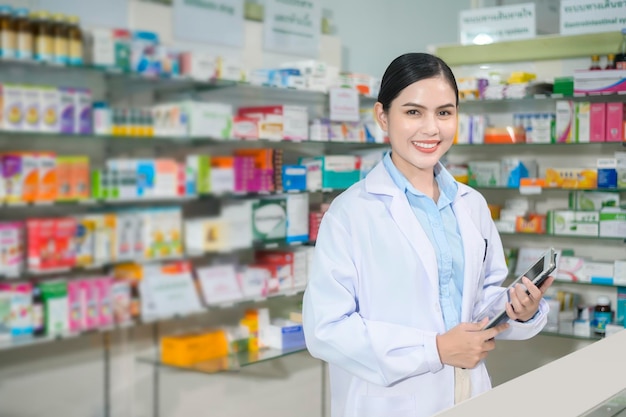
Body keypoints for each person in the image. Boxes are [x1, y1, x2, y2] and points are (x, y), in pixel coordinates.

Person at [302, 52, 555, 417]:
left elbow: (481, 299)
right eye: (413, 112)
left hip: (468, 389)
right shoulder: (350, 213)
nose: (431, 128)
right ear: (382, 116)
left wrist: (518, 308)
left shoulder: (472, 204)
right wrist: (434, 349)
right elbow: (326, 330)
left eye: (444, 112)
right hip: (389, 402)